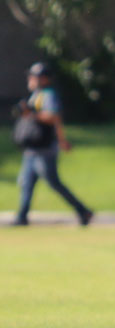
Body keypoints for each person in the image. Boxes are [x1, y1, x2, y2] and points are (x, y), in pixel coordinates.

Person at [12, 62, 93, 226]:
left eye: (33, 76)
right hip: (32, 149)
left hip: (44, 149)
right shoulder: (36, 94)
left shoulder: (49, 94)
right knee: (26, 183)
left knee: (53, 182)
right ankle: (22, 217)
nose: (30, 79)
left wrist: (32, 114)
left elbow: (53, 117)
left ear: (43, 78)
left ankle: (83, 211)